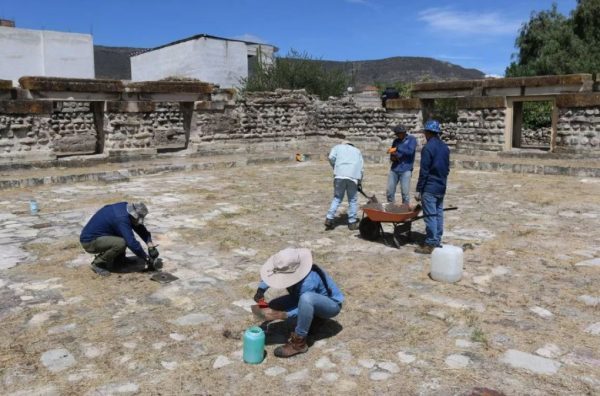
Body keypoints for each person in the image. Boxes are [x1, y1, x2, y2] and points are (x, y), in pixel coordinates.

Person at [252, 248, 344, 358]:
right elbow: (274, 272)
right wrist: (261, 290)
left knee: (306, 299)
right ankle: (314, 320)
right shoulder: (288, 264)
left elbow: (305, 303)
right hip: (301, 298)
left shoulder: (308, 282)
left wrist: (285, 315)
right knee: (273, 306)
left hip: (330, 306)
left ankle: (299, 343)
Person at [80, 202, 159, 276]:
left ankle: (119, 261)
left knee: (122, 236)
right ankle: (98, 263)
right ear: (134, 215)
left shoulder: (126, 208)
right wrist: (146, 258)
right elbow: (131, 243)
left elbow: (139, 227)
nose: (139, 220)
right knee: (122, 242)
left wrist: (150, 244)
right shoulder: (121, 219)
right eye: (138, 218)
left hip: (101, 236)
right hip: (90, 241)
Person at [414, 120, 450, 254]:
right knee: (438, 213)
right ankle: (437, 238)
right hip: (441, 186)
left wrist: (419, 189)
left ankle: (430, 243)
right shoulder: (445, 147)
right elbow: (447, 169)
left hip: (430, 186)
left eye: (425, 132)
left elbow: (424, 171)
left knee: (430, 215)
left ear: (428, 133)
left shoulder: (428, 148)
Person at [324, 141, 364, 230]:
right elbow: (361, 168)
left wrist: (335, 167)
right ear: (351, 144)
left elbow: (331, 157)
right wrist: (360, 181)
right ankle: (352, 222)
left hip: (339, 175)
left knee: (337, 198)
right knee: (352, 200)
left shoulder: (337, 147)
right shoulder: (357, 151)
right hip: (353, 177)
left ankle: (329, 218)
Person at [386, 124, 417, 205]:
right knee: (389, 192)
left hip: (406, 169)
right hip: (394, 168)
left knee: (405, 193)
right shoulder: (395, 141)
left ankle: (405, 209)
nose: (397, 136)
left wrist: (398, 148)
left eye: (398, 134)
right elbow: (392, 154)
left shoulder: (412, 139)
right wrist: (393, 156)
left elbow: (410, 152)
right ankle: (391, 208)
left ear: (403, 133)